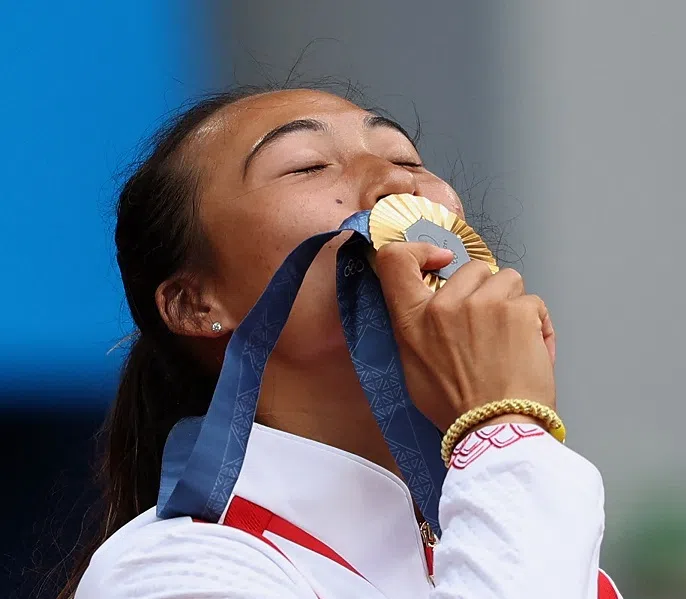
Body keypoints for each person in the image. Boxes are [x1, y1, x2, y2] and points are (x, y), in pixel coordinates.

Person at [62, 87, 622, 598]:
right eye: (307, 166)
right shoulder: (174, 571)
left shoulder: (527, 541)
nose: (397, 183)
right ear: (194, 304)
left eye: (407, 160)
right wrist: (504, 431)